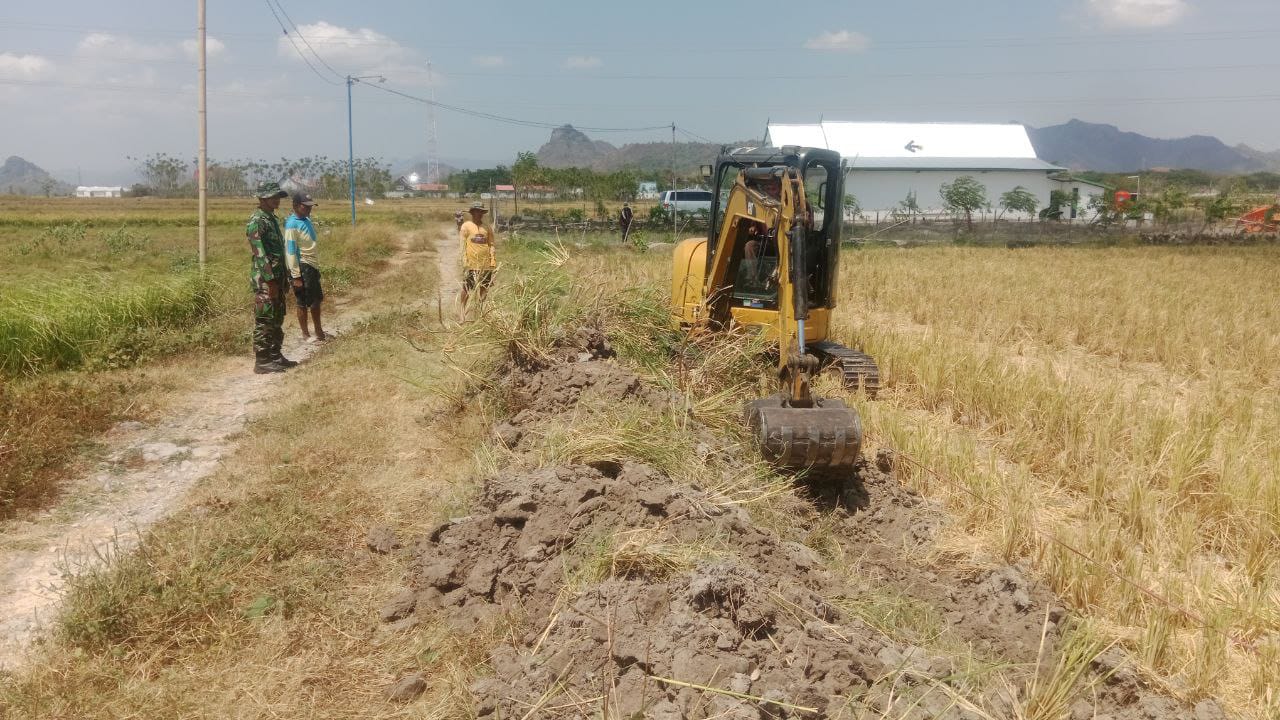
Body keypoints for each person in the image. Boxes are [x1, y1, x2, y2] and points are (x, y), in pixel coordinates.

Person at [246, 181, 294, 373]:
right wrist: (271, 281)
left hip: (278, 278)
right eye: (273, 197)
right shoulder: (257, 221)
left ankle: (275, 354)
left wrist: (285, 277)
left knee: (277, 316)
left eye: (278, 197)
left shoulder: (270, 218)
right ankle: (262, 360)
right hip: (266, 280)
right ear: (262, 198)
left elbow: (278, 252)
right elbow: (260, 254)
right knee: (265, 318)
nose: (277, 200)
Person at [284, 192, 327, 342]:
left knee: (316, 300)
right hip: (302, 267)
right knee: (303, 302)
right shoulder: (292, 224)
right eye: (305, 206)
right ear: (296, 206)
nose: (309, 209)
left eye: (311, 206)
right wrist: (295, 276)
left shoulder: (306, 219)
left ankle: (319, 331)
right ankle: (306, 334)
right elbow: (290, 252)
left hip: (312, 266)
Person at [458, 201, 496, 321]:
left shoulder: (487, 227)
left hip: (485, 265)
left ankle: (480, 314)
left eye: (480, 212)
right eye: (476, 211)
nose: (479, 214)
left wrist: (492, 260)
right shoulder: (466, 226)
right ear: (472, 212)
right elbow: (462, 245)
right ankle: (462, 313)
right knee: (466, 288)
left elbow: (491, 244)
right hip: (471, 264)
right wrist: (465, 261)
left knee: (484, 289)